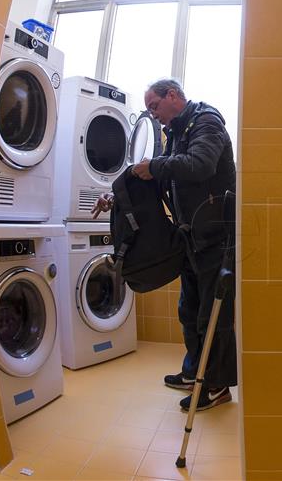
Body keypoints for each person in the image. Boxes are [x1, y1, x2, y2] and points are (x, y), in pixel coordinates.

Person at [92, 78, 237, 412]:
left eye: (154, 106)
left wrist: (153, 166)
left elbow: (200, 166)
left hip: (217, 237)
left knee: (212, 316)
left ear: (173, 95)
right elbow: (158, 185)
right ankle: (194, 373)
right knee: (189, 310)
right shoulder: (174, 135)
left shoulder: (206, 121)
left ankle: (216, 386)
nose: (153, 115)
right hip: (191, 238)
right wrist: (117, 198)